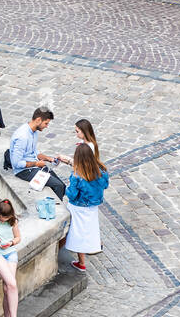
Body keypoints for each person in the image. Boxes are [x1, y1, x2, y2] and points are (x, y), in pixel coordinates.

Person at [64, 144, 109, 273]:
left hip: (78, 207)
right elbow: (105, 185)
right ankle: (81, 262)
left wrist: (68, 186)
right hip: (93, 207)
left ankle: (80, 262)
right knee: (86, 232)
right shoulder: (102, 170)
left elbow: (71, 194)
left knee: (74, 232)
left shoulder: (77, 175)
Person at [9, 107, 67, 199]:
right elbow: (17, 163)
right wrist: (36, 163)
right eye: (46, 123)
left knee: (62, 186)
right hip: (24, 171)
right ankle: (54, 209)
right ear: (38, 120)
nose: (47, 126)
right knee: (58, 186)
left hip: (35, 166)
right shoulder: (22, 137)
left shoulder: (34, 132)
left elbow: (34, 152)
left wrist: (49, 159)